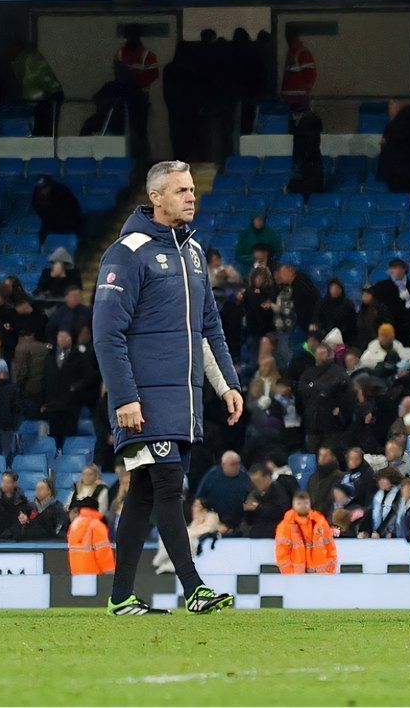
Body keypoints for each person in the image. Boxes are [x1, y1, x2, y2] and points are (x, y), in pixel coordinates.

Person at [91, 161, 241, 615]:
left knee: (144, 492)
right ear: (156, 198)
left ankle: (120, 596)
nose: (191, 197)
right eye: (181, 191)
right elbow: (106, 333)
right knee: (170, 486)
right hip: (144, 399)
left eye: (192, 189)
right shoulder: (127, 252)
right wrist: (125, 398)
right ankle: (194, 589)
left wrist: (227, 385)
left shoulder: (193, 252)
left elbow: (208, 327)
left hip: (183, 398)